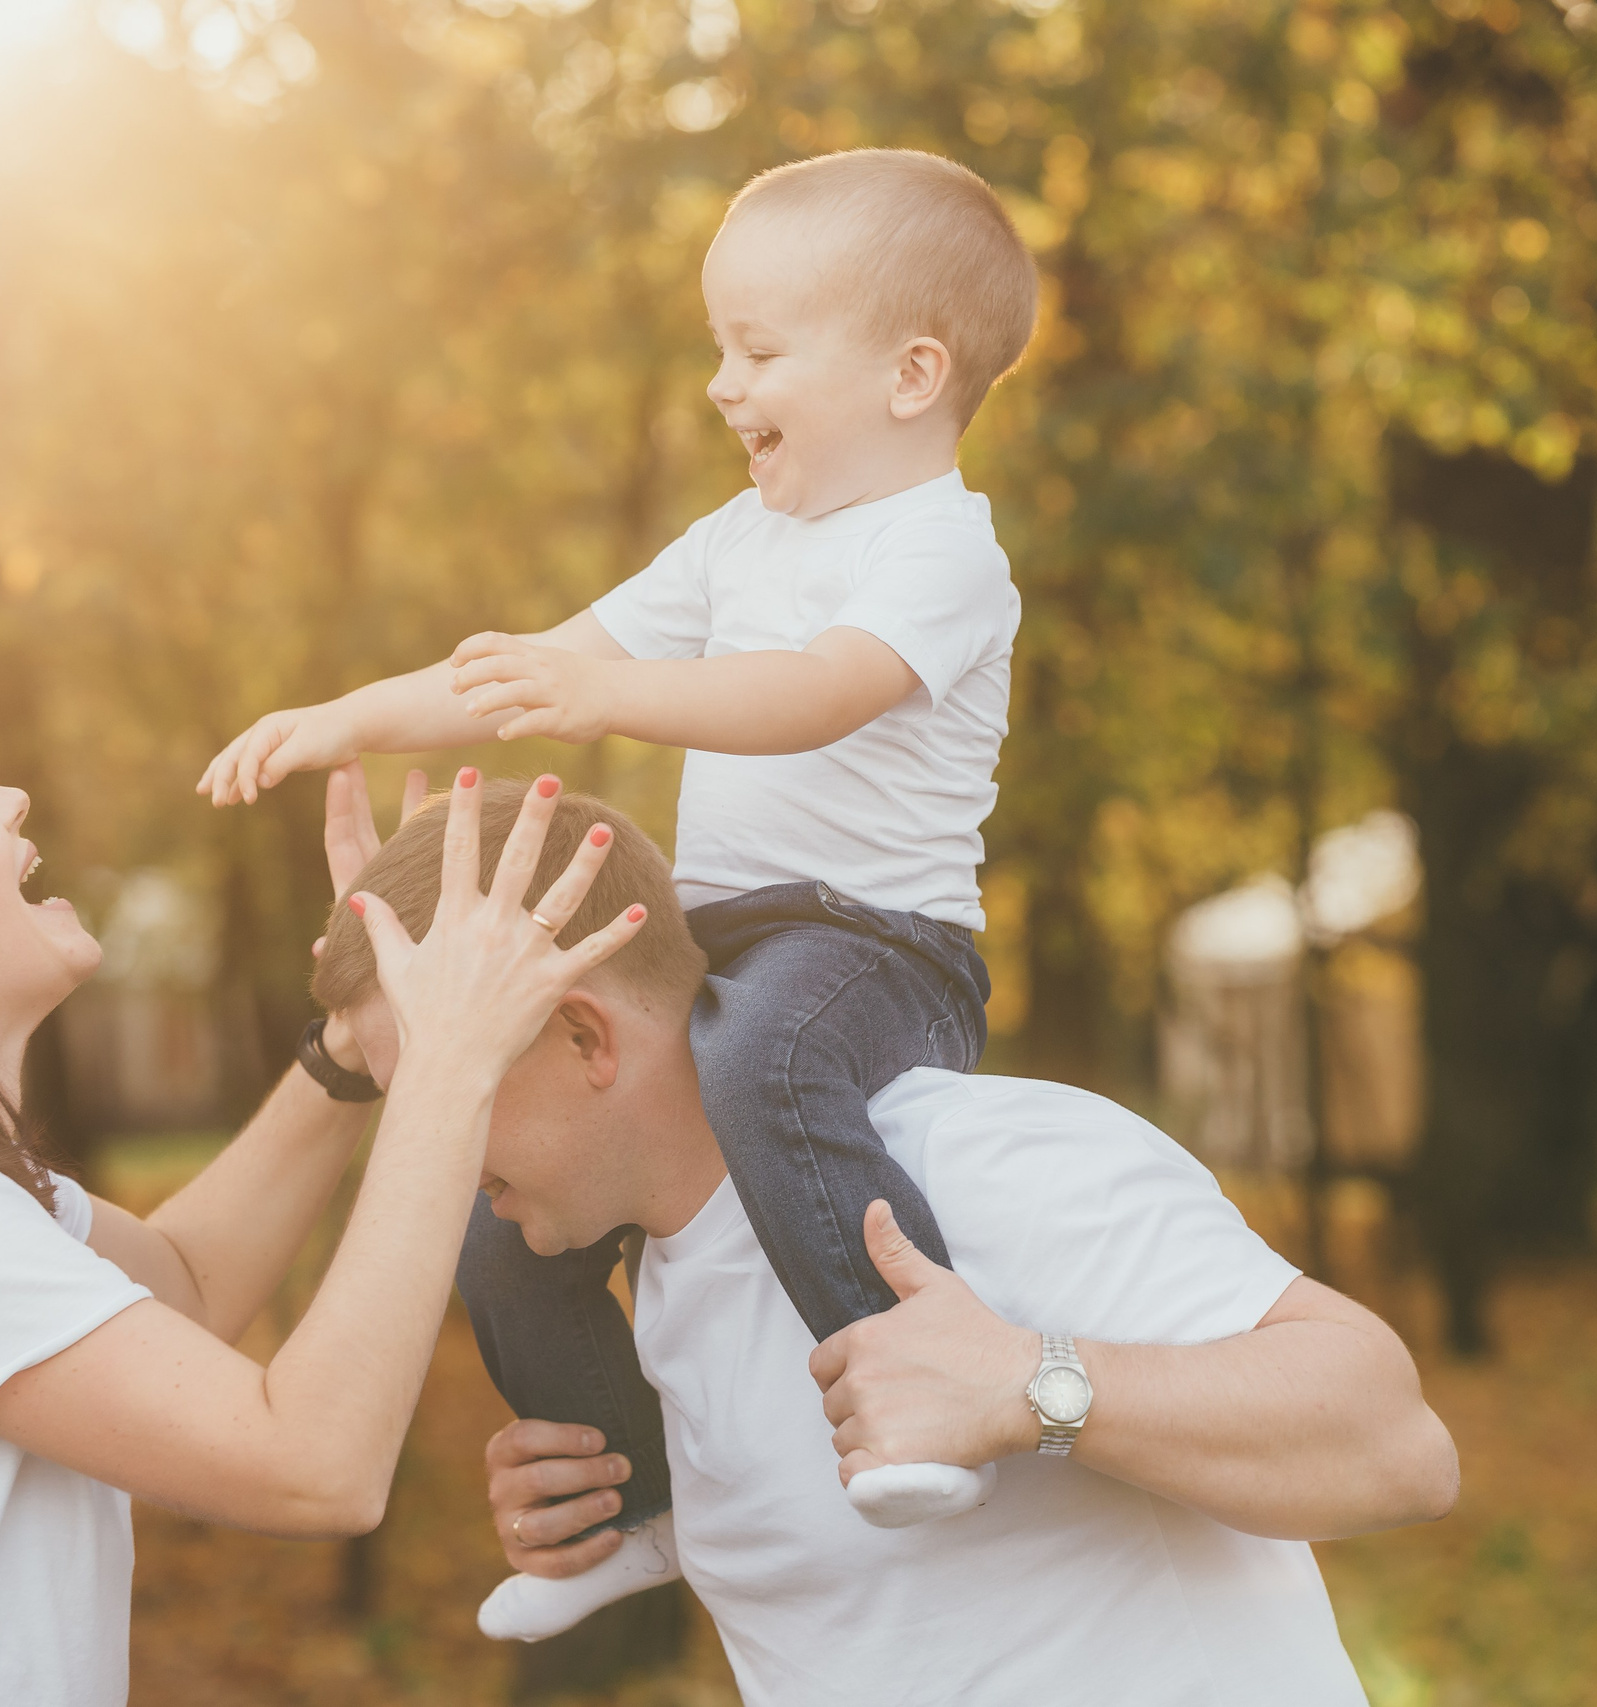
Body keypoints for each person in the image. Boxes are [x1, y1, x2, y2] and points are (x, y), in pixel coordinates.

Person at [200, 147, 1040, 1631]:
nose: (724, 382)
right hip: (717, 940)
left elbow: (821, 693)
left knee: (766, 1058)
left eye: (760, 349)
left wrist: (616, 691)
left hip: (872, 947)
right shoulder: (739, 541)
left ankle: (922, 1394)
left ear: (914, 373)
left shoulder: (943, 550)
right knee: (500, 1223)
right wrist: (346, 716)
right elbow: (523, 667)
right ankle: (645, 1505)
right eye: (721, 344)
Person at [311, 773, 1461, 1699]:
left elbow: (1397, 1446)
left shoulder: (978, 1162)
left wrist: (1034, 1386)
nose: (422, 1151)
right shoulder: (647, 1282)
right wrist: (612, 1502)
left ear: (583, 1038)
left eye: (442, 1090)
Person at [0, 699, 649, 1707]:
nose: (7, 795)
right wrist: (447, 1056)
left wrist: (353, 1044)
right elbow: (316, 1465)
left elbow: (185, 1286)